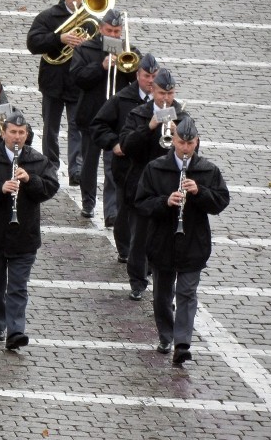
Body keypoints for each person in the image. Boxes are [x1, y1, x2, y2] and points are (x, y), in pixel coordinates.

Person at [135, 117, 229, 364]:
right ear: (173, 141)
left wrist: (200, 192)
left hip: (193, 244)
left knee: (187, 292)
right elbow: (141, 203)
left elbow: (221, 202)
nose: (185, 148)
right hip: (162, 242)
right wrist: (165, 202)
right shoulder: (156, 168)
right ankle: (166, 335)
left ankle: (182, 343)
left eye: (190, 143)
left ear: (196, 142)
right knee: (162, 295)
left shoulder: (208, 171)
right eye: (181, 142)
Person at [0, 112, 58, 349]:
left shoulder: (38, 161)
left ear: (27, 135)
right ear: (3, 133)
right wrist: (0, 188)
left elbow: (50, 189)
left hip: (25, 236)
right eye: (13, 132)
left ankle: (16, 332)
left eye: (21, 133)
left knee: (18, 287)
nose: (17, 137)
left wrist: (31, 181)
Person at [118, 68, 190, 302]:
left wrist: (178, 137)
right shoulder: (139, 114)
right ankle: (137, 281)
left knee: (167, 236)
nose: (166, 98)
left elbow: (194, 150)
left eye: (170, 93)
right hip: (143, 183)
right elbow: (127, 146)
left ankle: (161, 277)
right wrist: (148, 127)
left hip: (170, 185)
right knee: (139, 236)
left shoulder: (182, 116)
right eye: (161, 93)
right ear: (153, 90)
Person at [70, 9, 139, 222]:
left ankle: (111, 212)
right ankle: (88, 202)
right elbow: (78, 78)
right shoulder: (86, 49)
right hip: (91, 116)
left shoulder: (129, 50)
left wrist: (125, 63)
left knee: (112, 167)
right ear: (101, 29)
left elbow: (137, 80)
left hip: (117, 120)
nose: (113, 35)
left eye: (117, 31)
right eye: (109, 30)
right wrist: (101, 67)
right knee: (89, 164)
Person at [91, 53, 159, 263]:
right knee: (125, 208)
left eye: (154, 76)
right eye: (147, 76)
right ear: (138, 75)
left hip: (151, 164)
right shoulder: (121, 98)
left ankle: (145, 251)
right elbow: (98, 125)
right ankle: (124, 249)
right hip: (127, 165)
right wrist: (114, 143)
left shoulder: (164, 103)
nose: (151, 81)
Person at [26, 0, 88, 186]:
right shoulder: (48, 16)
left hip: (77, 83)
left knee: (76, 127)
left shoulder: (91, 19)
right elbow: (32, 43)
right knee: (50, 127)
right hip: (52, 81)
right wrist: (59, 38)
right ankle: (51, 165)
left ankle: (76, 170)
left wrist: (87, 45)